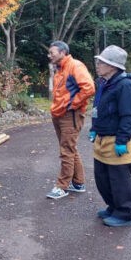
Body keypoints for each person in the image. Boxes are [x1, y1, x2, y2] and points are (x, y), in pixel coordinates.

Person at [89, 46, 131, 227]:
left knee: (119, 180)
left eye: (102, 62)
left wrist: (121, 141)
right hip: (102, 138)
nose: (98, 65)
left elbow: (128, 116)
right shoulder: (103, 82)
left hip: (118, 140)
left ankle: (125, 213)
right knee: (102, 178)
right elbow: (98, 109)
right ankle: (113, 206)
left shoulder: (125, 85)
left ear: (113, 66)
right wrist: (94, 128)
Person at [46, 40, 95, 199]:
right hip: (60, 114)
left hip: (70, 114)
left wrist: (72, 104)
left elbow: (89, 87)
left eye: (52, 53)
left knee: (66, 150)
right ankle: (78, 183)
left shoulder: (75, 66)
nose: (49, 55)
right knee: (70, 148)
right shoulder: (59, 69)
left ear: (62, 52)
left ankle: (62, 186)